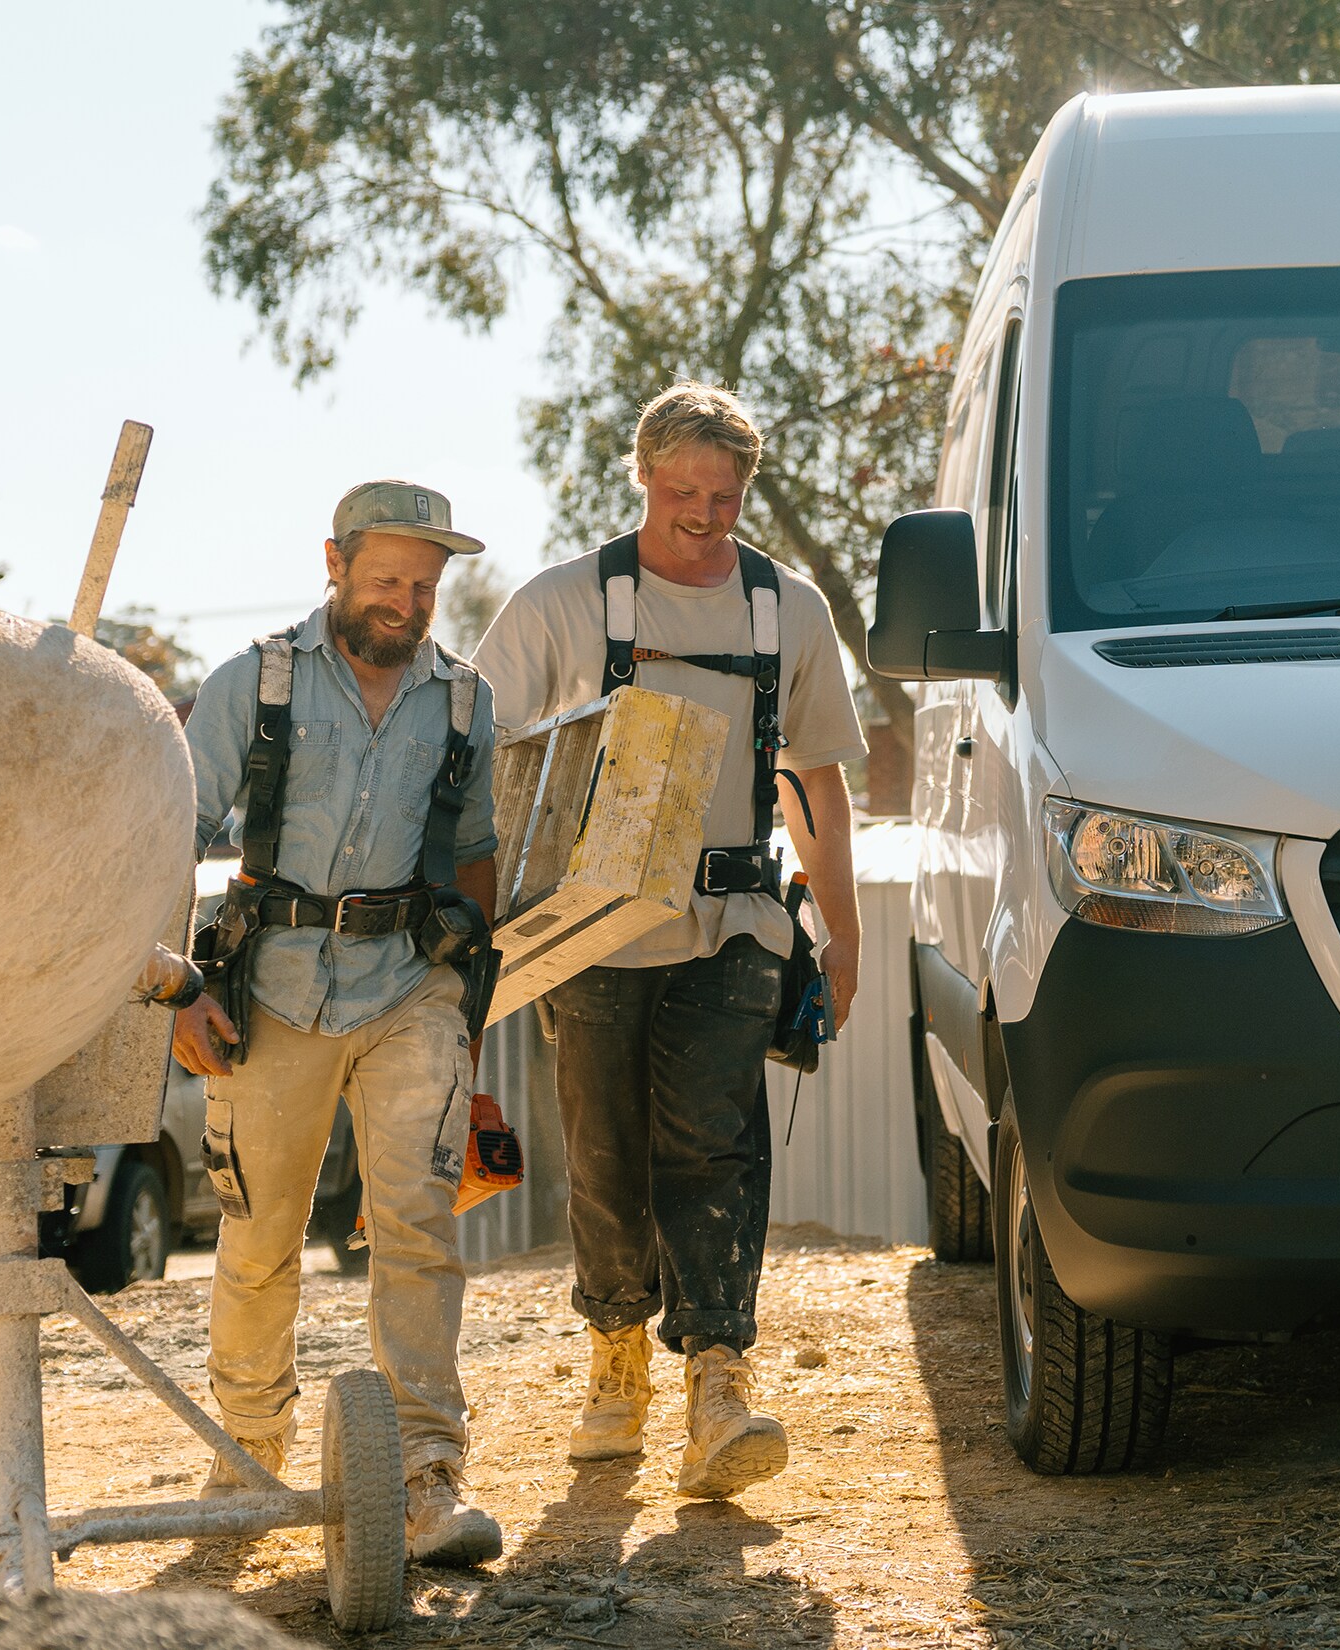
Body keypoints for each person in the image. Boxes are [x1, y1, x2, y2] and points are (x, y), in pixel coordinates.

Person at [473, 383, 866, 1499]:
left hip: (734, 918)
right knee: (605, 1153)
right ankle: (615, 1355)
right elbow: (479, 766)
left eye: (726, 496)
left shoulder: (786, 609)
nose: (703, 515)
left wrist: (839, 935)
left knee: (714, 1143)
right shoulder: (559, 605)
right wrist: (483, 933)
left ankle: (720, 1379)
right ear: (642, 475)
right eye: (683, 491)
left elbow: (822, 790)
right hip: (588, 928)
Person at [171, 481, 505, 1566]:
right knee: (261, 1237)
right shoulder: (253, 684)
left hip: (409, 991)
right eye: (385, 579)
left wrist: (467, 1012)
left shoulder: (464, 701)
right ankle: (246, 1459)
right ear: (334, 563)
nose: (405, 602)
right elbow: (166, 832)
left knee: (416, 1228)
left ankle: (425, 1477)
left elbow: (474, 858)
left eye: (424, 584)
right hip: (269, 996)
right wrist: (179, 988)